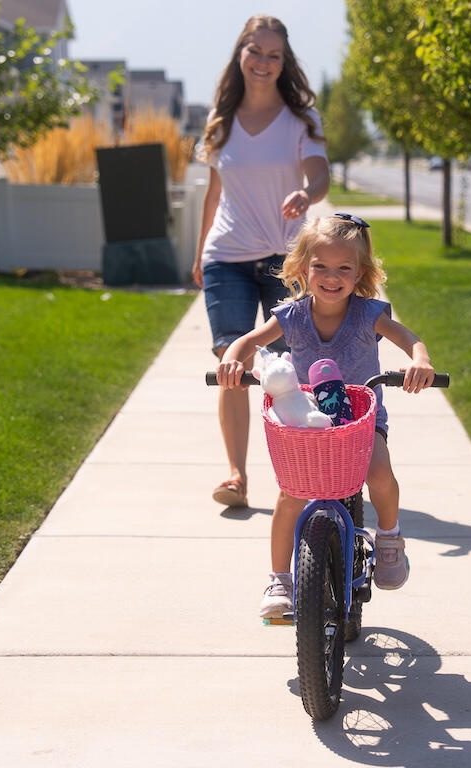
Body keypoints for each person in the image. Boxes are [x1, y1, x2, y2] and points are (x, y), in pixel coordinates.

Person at [215, 214, 436, 618]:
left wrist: (420, 361)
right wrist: (231, 362)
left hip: (360, 421)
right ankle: (280, 579)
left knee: (379, 472)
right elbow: (246, 342)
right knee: (290, 496)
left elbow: (409, 339)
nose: (331, 277)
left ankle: (389, 538)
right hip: (307, 425)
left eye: (344, 269)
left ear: (360, 273)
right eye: (320, 267)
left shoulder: (370, 314)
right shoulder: (291, 316)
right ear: (302, 269)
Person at [193, 15, 330, 509]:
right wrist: (199, 251)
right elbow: (213, 195)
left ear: (284, 61)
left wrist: (306, 192)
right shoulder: (221, 121)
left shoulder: (301, 120)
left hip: (286, 260)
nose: (264, 63)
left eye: (274, 55)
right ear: (241, 54)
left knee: (298, 364)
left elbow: (320, 178)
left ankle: (309, 469)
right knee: (233, 361)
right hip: (226, 257)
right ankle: (235, 475)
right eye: (256, 52)